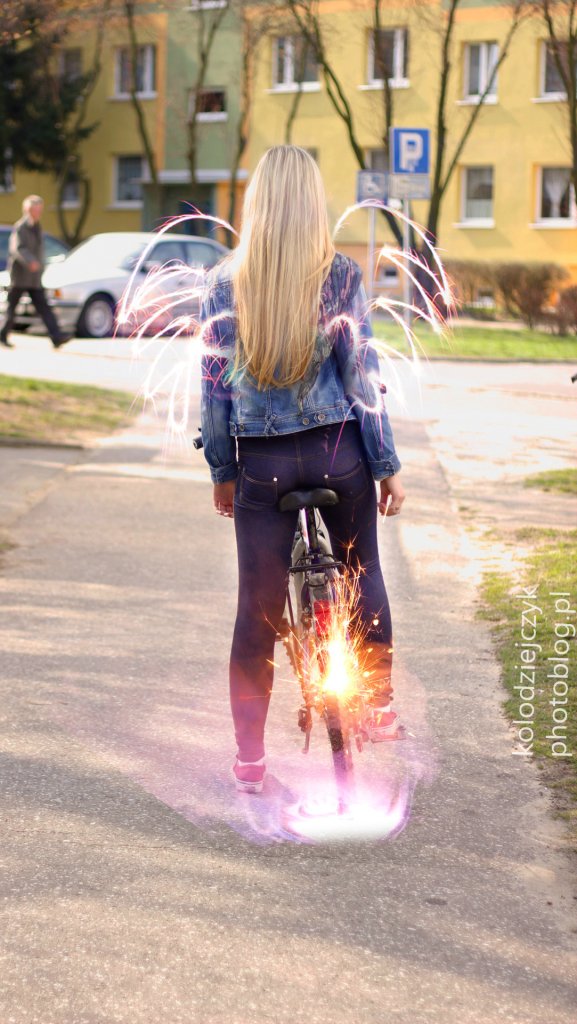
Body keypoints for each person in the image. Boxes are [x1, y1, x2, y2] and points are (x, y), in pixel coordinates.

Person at [200, 145, 405, 794]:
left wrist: (221, 470)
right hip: (337, 456)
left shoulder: (225, 283)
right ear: (313, 202)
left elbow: (214, 394)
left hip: (261, 467)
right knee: (361, 568)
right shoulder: (341, 275)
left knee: (255, 613)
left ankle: (251, 761)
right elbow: (362, 377)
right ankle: (377, 704)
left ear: (255, 202)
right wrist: (385, 465)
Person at [0, 195, 67, 349]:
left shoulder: (37, 226)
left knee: (44, 308)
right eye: (35, 210)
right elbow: (18, 248)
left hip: (34, 279)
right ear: (28, 210)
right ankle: (2, 335)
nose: (38, 213)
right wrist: (31, 261)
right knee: (12, 308)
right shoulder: (21, 227)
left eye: (39, 210)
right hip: (20, 277)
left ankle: (56, 337)